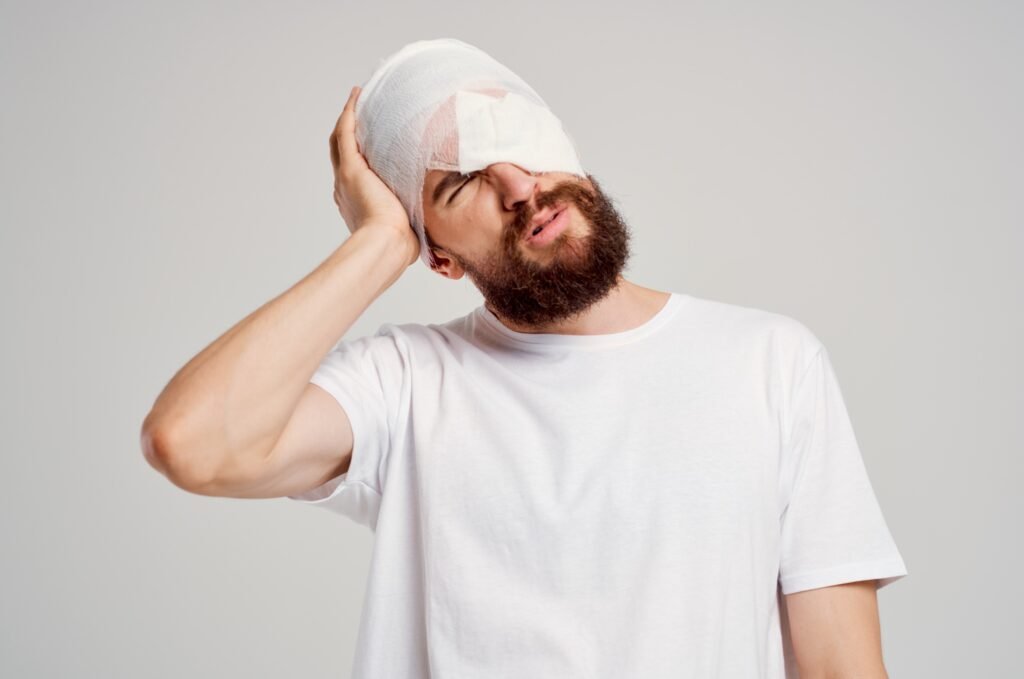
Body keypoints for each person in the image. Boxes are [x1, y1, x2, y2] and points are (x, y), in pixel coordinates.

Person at [141, 39, 908, 679]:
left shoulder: (770, 364)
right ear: (437, 257)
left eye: (520, 140)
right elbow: (193, 441)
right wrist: (375, 245)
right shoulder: (406, 384)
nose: (517, 184)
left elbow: (841, 666)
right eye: (463, 181)